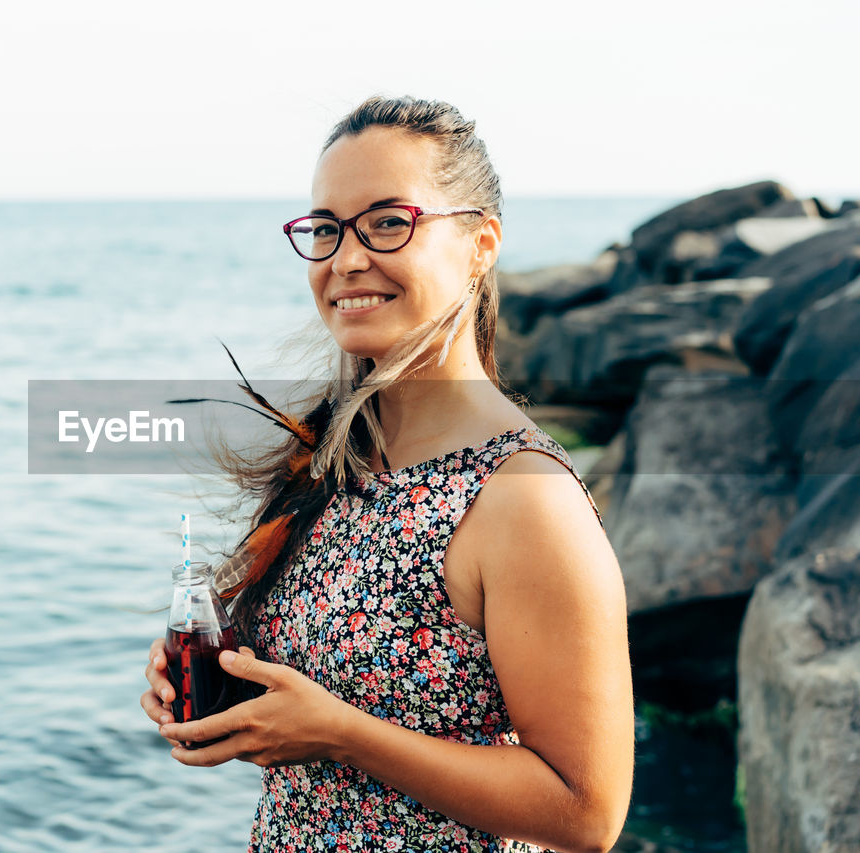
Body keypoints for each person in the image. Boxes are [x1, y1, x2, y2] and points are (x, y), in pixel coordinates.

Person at [140, 95, 634, 853]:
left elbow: (586, 811)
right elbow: (323, 675)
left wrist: (341, 734)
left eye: (387, 222)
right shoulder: (333, 456)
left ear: (481, 243)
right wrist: (215, 671)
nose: (346, 258)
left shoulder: (522, 499)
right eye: (327, 228)